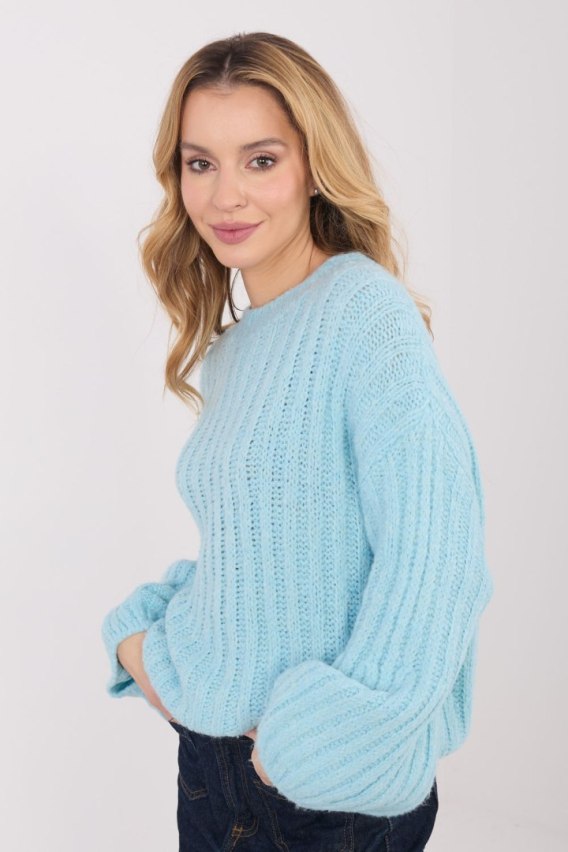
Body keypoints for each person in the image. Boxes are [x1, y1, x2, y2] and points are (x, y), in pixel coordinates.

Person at [101, 31, 494, 851]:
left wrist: (313, 749)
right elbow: (257, 556)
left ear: (314, 166)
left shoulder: (364, 313)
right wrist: (143, 640)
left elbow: (437, 556)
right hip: (215, 773)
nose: (226, 196)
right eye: (200, 163)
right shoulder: (237, 349)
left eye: (261, 159)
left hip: (319, 797)